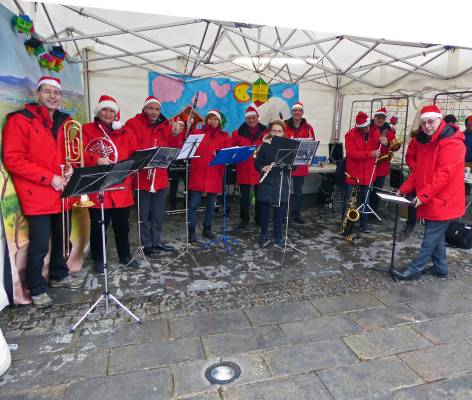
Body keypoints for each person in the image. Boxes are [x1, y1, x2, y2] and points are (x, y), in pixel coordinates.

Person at [2, 76, 82, 308]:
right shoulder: (19, 120)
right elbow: (13, 159)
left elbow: (69, 154)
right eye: (47, 91)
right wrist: (50, 178)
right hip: (37, 192)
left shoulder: (66, 121)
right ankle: (36, 287)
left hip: (61, 190)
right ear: (37, 94)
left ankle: (58, 274)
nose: (52, 96)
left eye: (56, 92)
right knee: (38, 244)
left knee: (61, 237)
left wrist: (70, 169)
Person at [392, 105, 465, 280]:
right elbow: (418, 172)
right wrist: (403, 189)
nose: (427, 126)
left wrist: (423, 195)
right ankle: (441, 268)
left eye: (430, 121)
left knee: (430, 237)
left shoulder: (452, 143)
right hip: (433, 197)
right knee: (436, 236)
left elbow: (443, 175)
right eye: (423, 122)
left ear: (440, 120)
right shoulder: (427, 142)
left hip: (444, 200)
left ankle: (414, 269)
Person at [82, 95, 138, 272]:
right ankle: (99, 258)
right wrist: (95, 159)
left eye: (111, 110)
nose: (108, 113)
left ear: (116, 114)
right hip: (99, 187)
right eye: (104, 110)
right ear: (98, 111)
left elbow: (135, 155)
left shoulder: (127, 132)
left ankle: (125, 255)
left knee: (122, 226)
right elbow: (79, 154)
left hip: (121, 188)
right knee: (98, 227)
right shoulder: (86, 130)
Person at [125, 96, 179, 257]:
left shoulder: (167, 126)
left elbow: (173, 149)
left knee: (158, 213)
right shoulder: (132, 124)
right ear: (144, 109)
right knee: (144, 214)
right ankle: (146, 243)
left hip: (160, 177)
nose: (154, 112)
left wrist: (176, 135)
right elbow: (130, 146)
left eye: (157, 109)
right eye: (151, 108)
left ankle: (156, 241)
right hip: (142, 177)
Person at [187, 110, 231, 242]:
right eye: (210, 118)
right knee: (193, 204)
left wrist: (219, 153)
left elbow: (228, 153)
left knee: (211, 205)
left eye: (215, 119)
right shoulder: (197, 133)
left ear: (219, 122)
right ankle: (192, 232)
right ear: (206, 120)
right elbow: (186, 145)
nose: (213, 121)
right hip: (198, 173)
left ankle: (207, 229)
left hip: (214, 174)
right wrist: (187, 129)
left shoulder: (224, 136)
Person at [342, 111, 381, 232]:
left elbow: (382, 148)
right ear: (360, 127)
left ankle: (364, 224)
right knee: (349, 201)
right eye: (365, 127)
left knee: (365, 200)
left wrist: (386, 143)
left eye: (369, 126)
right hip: (354, 174)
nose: (368, 128)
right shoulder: (350, 135)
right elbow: (352, 153)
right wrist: (370, 154)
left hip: (368, 173)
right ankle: (345, 224)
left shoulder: (375, 133)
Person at [255, 120, 291, 248]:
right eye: (274, 130)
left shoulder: (289, 147)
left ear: (283, 133)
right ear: (270, 132)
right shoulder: (265, 146)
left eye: (279, 131)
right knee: (264, 212)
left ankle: (279, 236)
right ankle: (263, 235)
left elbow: (294, 167)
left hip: (281, 183)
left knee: (279, 213)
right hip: (267, 183)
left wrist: (289, 166)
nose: (276, 133)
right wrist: (262, 168)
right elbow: (257, 163)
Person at [232, 105, 267, 229]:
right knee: (244, 197)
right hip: (244, 169)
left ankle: (259, 218)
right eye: (249, 118)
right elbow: (233, 150)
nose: (251, 120)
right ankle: (244, 219)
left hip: (260, 169)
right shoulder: (237, 133)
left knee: (260, 196)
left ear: (258, 118)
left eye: (253, 117)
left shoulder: (266, 132)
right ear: (246, 119)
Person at [284, 101, 315, 224]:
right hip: (286, 163)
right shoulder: (284, 125)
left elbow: (312, 144)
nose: (297, 112)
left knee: (298, 191)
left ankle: (296, 214)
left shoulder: (308, 127)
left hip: (301, 164)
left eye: (299, 110)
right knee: (284, 190)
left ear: (302, 112)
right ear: (292, 112)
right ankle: (283, 214)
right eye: (295, 110)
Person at [369, 107, 395, 215]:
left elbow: (395, 147)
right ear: (374, 117)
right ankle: (364, 210)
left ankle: (373, 212)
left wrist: (388, 143)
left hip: (381, 166)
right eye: (378, 117)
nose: (380, 120)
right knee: (365, 190)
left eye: (382, 118)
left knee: (377, 191)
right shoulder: (367, 129)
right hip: (369, 165)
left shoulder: (389, 132)